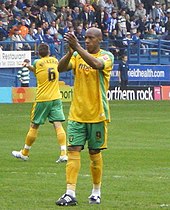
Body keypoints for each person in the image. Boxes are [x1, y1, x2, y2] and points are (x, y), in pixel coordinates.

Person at [55, 27, 114, 206]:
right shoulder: (77, 55)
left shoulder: (107, 56)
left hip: (97, 114)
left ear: (99, 40)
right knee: (73, 150)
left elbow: (96, 65)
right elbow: (60, 68)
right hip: (77, 114)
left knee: (94, 153)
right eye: (85, 38)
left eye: (90, 38)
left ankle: (96, 191)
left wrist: (78, 47)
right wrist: (70, 52)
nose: (87, 41)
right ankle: (70, 193)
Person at [12, 43, 68, 163]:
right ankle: (63, 153)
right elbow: (41, 70)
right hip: (56, 98)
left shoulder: (37, 62)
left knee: (34, 126)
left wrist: (27, 65)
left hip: (43, 98)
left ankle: (25, 153)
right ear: (49, 52)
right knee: (58, 125)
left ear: (38, 53)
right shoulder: (54, 60)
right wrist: (28, 67)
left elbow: (37, 69)